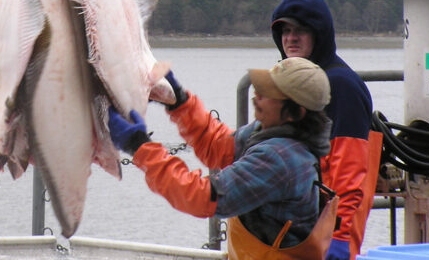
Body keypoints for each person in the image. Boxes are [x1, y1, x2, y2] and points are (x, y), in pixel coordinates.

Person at [109, 57, 338, 259]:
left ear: (296, 113)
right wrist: (179, 102)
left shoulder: (281, 159)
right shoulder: (270, 129)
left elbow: (201, 197)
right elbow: (219, 147)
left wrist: (139, 147)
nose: (258, 94)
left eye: (270, 94)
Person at [271, 0, 381, 260]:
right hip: (300, 227)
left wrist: (339, 238)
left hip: (330, 233)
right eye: (285, 31)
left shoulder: (340, 86)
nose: (291, 38)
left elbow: (350, 171)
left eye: (300, 30)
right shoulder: (298, 88)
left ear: (318, 34)